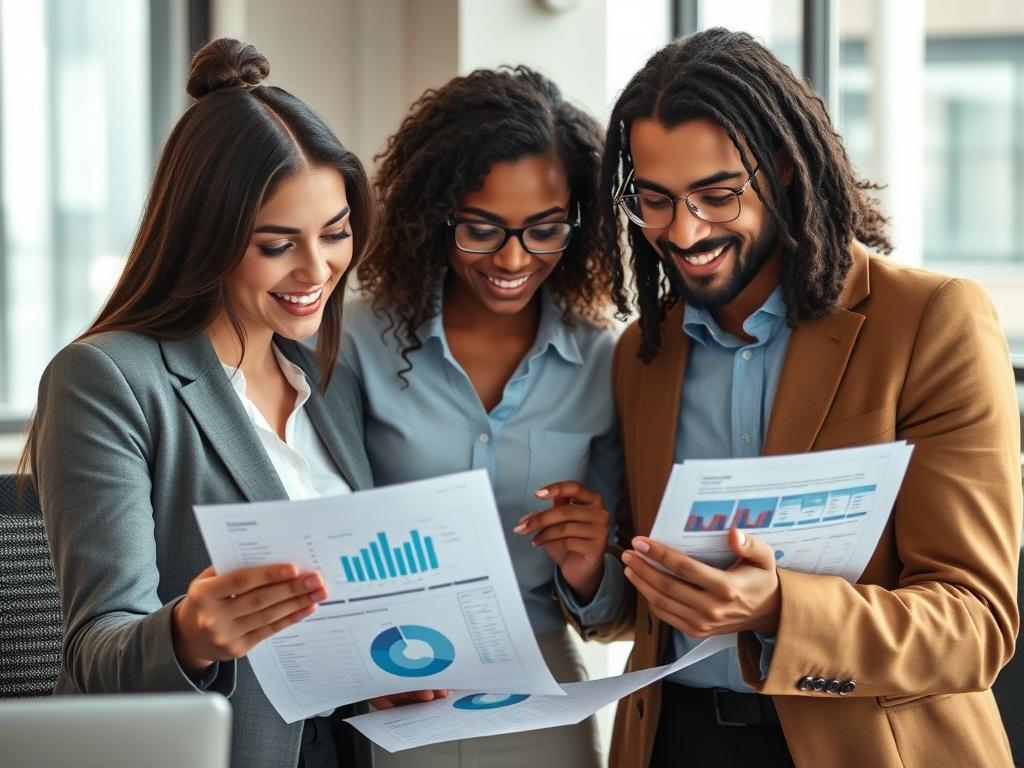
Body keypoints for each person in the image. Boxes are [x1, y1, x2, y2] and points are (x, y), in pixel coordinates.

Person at [594, 28, 1021, 768]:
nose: (684, 231)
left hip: (866, 746)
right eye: (655, 201)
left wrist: (779, 609)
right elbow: (655, 604)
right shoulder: (644, 351)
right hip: (675, 740)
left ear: (786, 167)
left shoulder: (929, 321)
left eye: (718, 195)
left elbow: (975, 625)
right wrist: (591, 573)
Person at [25, 38, 439, 768]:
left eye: (336, 234)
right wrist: (189, 633)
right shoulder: (106, 379)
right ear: (207, 238)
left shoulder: (326, 380)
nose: (317, 269)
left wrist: (376, 674)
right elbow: (95, 654)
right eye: (277, 245)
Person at [341, 66, 627, 768]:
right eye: (482, 229)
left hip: (540, 691)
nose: (512, 258)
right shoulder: (353, 345)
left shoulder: (605, 363)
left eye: (545, 230)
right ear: (434, 215)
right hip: (386, 686)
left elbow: (613, 608)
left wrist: (588, 568)